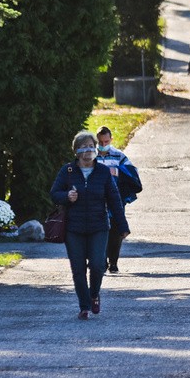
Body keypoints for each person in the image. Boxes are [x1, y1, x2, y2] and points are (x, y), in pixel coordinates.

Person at [50, 131, 130, 320]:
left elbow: (114, 199)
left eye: (91, 146)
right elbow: (54, 193)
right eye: (84, 147)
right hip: (74, 228)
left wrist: (122, 225)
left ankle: (94, 294)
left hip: (98, 226)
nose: (88, 150)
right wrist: (67, 196)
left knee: (97, 265)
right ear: (76, 151)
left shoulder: (102, 171)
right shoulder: (68, 171)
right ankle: (84, 306)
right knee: (78, 269)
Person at [96, 125, 142, 273]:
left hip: (115, 199)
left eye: (106, 142)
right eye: (101, 142)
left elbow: (131, 173)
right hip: (96, 199)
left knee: (116, 232)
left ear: (111, 140)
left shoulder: (118, 155)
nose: (103, 145)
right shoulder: (91, 156)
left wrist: (117, 172)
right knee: (99, 230)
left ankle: (113, 261)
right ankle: (101, 260)